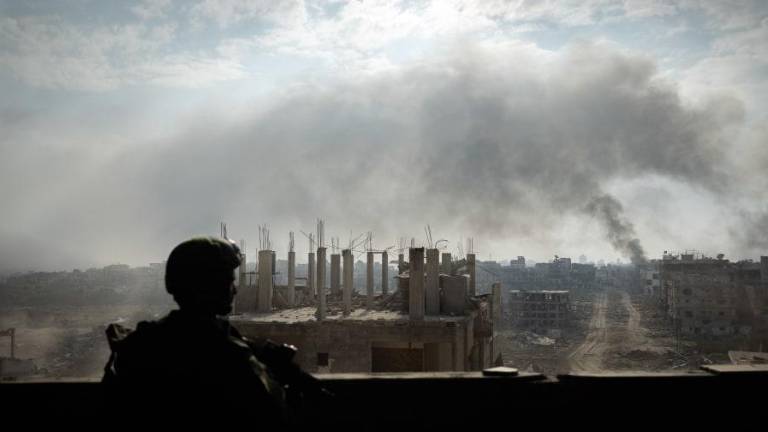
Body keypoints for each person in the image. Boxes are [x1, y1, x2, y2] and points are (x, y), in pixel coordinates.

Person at [102, 236, 320, 425]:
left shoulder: (144, 342)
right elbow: (274, 414)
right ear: (212, 287)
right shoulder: (230, 355)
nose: (234, 290)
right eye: (229, 282)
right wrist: (283, 382)